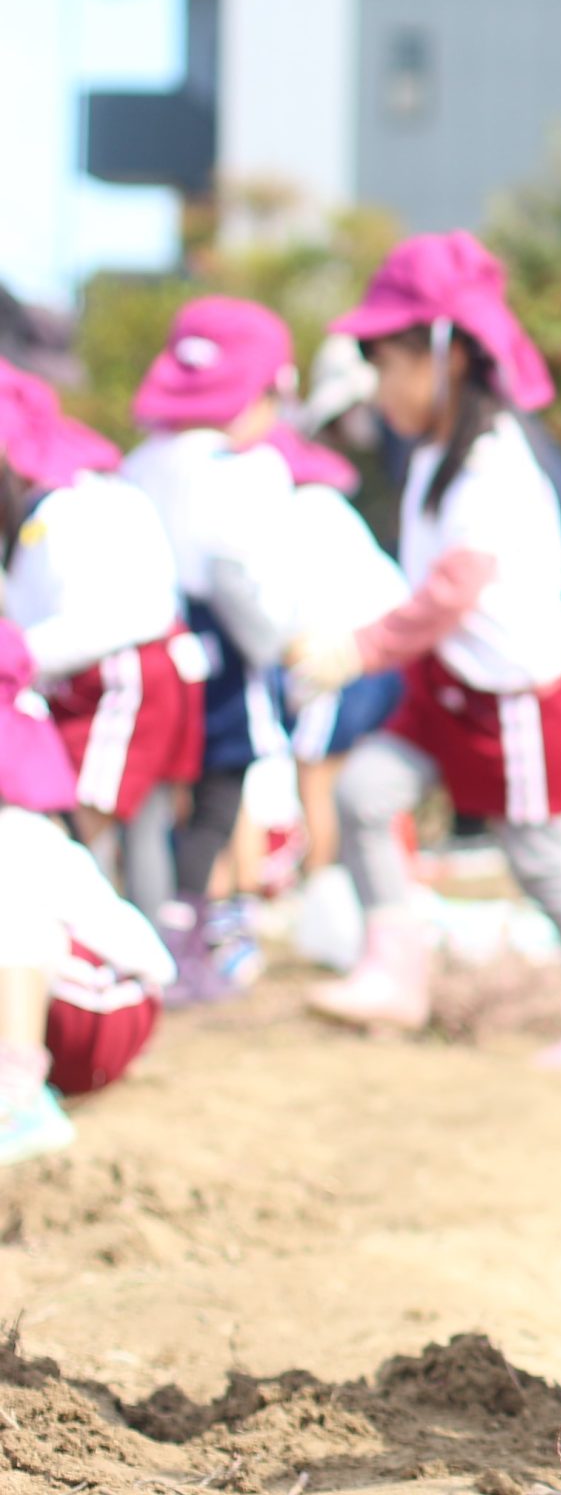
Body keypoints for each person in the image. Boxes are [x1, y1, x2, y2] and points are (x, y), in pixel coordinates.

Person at [286, 231, 561, 1070]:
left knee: (538, 856)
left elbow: (452, 589)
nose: (378, 387)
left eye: (386, 364)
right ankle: (394, 973)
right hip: (449, 681)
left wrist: (359, 649)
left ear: (444, 356)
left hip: (513, 697)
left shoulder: (489, 463)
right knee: (367, 794)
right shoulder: (432, 454)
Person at [120, 298, 307, 1003]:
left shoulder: (140, 460)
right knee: (218, 797)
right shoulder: (243, 466)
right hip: (222, 648)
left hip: (147, 647)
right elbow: (235, 573)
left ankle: (145, 934)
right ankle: (191, 943)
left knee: (149, 802)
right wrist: (274, 649)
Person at [0, 362, 199, 921]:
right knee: (129, 826)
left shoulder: (71, 507)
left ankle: (99, 945)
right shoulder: (63, 500)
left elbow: (117, 615)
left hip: (127, 677)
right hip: (107, 678)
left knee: (78, 821)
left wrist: (24, 655)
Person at [0, 620, 174, 1166]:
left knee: (12, 895)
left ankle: (19, 1099)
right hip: (61, 996)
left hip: (107, 1003)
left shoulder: (21, 829)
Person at [263, 417, 407, 880]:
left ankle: (321, 883)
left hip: (344, 659)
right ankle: (354, 880)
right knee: (352, 779)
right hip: (387, 653)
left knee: (316, 776)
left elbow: (300, 613)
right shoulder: (327, 504)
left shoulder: (291, 513)